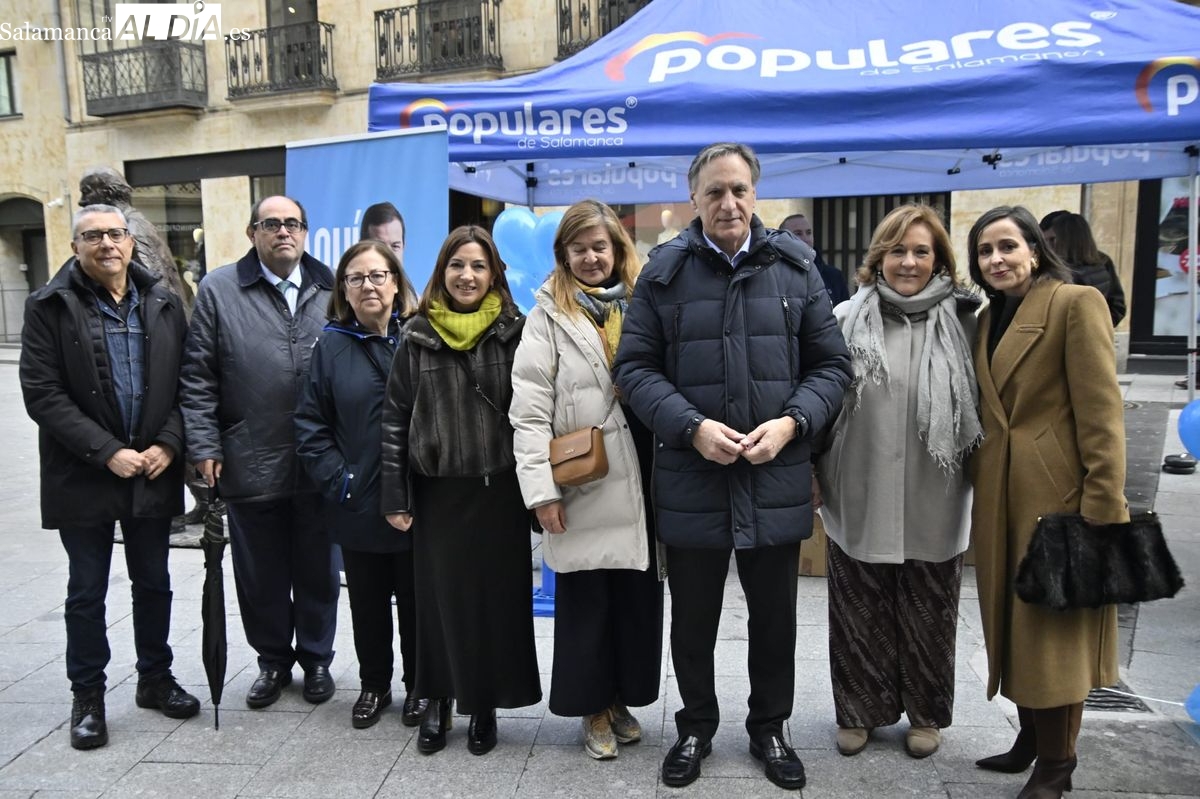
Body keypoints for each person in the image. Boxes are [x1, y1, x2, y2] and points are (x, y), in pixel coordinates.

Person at [613, 142, 853, 790]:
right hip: (692, 479)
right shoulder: (663, 273)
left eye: (739, 189)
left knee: (774, 619)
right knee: (693, 620)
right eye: (715, 191)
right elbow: (634, 368)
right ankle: (694, 725)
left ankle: (769, 727)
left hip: (773, 475)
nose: (728, 202)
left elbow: (833, 367)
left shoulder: (795, 269)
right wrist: (690, 427)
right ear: (693, 198)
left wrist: (792, 423)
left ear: (755, 194)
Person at [20, 205, 200, 750]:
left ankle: (155, 678)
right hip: (83, 472)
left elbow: (188, 381)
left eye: (115, 234)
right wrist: (108, 452)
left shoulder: (163, 302)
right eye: (93, 235)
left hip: (151, 466)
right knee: (87, 590)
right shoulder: (48, 305)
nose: (107, 244)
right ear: (75, 246)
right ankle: (88, 696)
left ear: (130, 243)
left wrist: (168, 443)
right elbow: (42, 393)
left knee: (154, 582)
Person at [967, 206, 1129, 799]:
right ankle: (1032, 737)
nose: (996, 259)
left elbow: (1102, 414)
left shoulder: (1075, 303)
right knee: (1015, 624)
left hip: (1058, 500)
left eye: (1007, 246)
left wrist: (1103, 506)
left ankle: (1058, 765)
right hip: (1001, 497)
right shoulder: (987, 317)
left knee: (1053, 637)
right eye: (985, 251)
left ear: (1035, 250)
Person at [812, 205, 981, 760]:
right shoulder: (845, 317)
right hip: (858, 482)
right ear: (878, 257)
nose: (908, 262)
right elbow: (822, 397)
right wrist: (812, 468)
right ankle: (859, 710)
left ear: (939, 259)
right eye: (897, 250)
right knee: (858, 605)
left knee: (930, 605)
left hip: (936, 489)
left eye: (921, 251)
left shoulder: (967, 321)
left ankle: (926, 713)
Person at [509, 199, 663, 761]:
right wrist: (541, 493)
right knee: (586, 602)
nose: (592, 258)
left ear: (617, 249)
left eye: (601, 246)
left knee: (634, 599)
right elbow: (528, 413)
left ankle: (621, 697)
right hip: (584, 478)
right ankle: (592, 706)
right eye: (580, 249)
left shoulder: (646, 304)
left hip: (644, 471)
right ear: (563, 255)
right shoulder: (546, 317)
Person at [381, 225, 541, 756]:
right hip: (438, 493)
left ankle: (484, 702)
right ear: (441, 272)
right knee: (438, 604)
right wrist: (395, 495)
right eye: (456, 265)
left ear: (494, 273)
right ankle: (437, 699)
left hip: (500, 492)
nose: (466, 275)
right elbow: (395, 417)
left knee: (495, 604)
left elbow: (535, 412)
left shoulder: (517, 332)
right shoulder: (416, 334)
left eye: (477, 265)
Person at [180, 196, 340, 710]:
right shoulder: (219, 289)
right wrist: (204, 444)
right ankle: (272, 661)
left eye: (293, 223)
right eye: (271, 224)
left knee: (319, 570)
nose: (283, 232)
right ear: (253, 233)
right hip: (249, 455)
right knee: (260, 574)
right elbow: (198, 376)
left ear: (305, 231)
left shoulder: (333, 287)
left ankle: (316, 659)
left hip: (319, 461)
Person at [295, 240, 425, 730]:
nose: (368, 285)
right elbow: (311, 425)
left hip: (416, 497)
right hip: (358, 498)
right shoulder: (330, 346)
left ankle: (420, 685)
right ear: (344, 290)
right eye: (356, 278)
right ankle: (374, 684)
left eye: (377, 275)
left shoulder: (419, 336)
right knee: (367, 603)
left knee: (416, 602)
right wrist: (342, 481)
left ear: (395, 282)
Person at [1048, 212, 1126, 327]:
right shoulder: (1102, 261)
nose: (1048, 246)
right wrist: (1101, 327)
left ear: (1065, 239)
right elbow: (1117, 305)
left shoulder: (1062, 271)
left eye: (1053, 239)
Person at [780, 212, 851, 305]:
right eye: (798, 234)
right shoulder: (775, 276)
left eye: (809, 233)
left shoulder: (834, 277)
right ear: (783, 239)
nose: (806, 239)